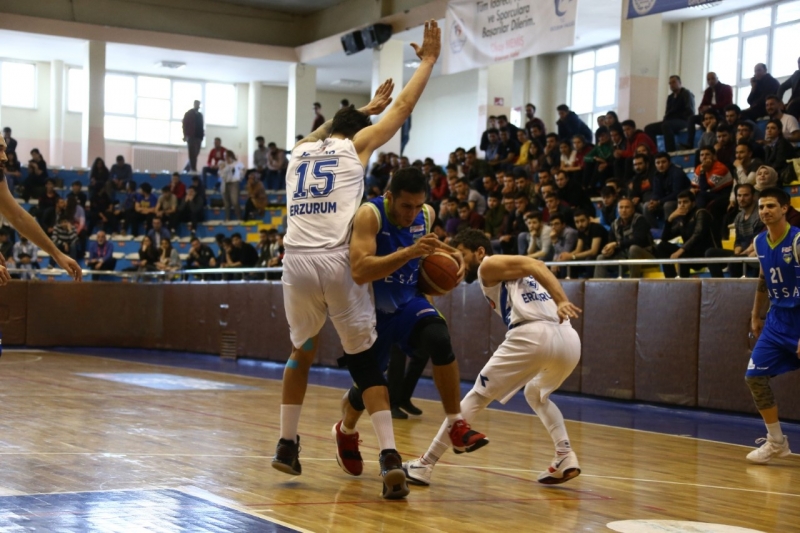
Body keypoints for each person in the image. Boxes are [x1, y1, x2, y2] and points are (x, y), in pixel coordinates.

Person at [271, 21, 441, 501]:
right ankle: (389, 454)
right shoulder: (355, 147)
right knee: (367, 362)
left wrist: (358, 111)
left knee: (301, 352)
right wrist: (426, 61)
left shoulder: (298, 153)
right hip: (334, 261)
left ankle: (287, 443)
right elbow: (403, 107)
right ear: (357, 132)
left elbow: (323, 130)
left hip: (296, 261)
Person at [338, 166, 487, 484]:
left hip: (408, 302)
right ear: (389, 197)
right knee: (368, 387)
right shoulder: (370, 215)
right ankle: (346, 429)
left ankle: (455, 423)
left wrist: (454, 256)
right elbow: (361, 269)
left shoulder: (426, 215)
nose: (413, 213)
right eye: (406, 206)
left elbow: (430, 246)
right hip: (369, 310)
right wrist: (409, 253)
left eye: (419, 206)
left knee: (439, 338)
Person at [403, 229, 582, 487]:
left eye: (462, 255)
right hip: (567, 338)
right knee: (536, 394)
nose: (458, 263)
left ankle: (425, 464)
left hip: (533, 333)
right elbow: (535, 269)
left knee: (477, 395)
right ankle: (565, 454)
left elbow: (537, 263)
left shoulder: (488, 265)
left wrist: (563, 300)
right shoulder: (508, 272)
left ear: (480, 252)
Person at [744, 187, 800, 463]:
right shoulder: (760, 242)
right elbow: (764, 278)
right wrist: (756, 314)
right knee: (754, 377)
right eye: (762, 206)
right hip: (777, 321)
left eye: (771, 206)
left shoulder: (798, 241)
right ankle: (776, 441)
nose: (765, 211)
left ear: (785, 209)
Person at [706, 183, 762, 278]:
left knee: (733, 260)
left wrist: (740, 255)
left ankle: (735, 288)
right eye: (739, 195)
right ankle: (719, 285)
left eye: (746, 195)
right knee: (710, 253)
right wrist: (737, 251)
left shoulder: (759, 214)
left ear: (753, 196)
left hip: (754, 253)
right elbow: (738, 240)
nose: (741, 199)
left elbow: (757, 240)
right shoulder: (739, 216)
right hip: (741, 254)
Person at [644, 75, 696, 152]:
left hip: (684, 121)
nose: (671, 85)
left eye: (674, 82)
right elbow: (667, 113)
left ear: (680, 83)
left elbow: (690, 111)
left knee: (666, 125)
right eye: (670, 83)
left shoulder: (686, 94)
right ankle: (654, 152)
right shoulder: (670, 97)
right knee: (648, 128)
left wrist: (675, 117)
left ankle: (670, 152)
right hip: (670, 121)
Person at [219, 150, 244, 221]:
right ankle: (227, 218)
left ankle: (239, 217)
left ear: (230, 156)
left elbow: (243, 170)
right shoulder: (223, 164)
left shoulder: (238, 163)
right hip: (224, 183)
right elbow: (220, 173)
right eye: (224, 156)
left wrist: (240, 177)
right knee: (226, 203)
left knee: (235, 201)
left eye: (226, 156)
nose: (225, 157)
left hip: (234, 182)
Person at [182, 100, 204, 172]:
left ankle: (187, 168)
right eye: (197, 104)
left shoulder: (200, 115)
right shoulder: (188, 114)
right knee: (192, 154)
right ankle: (193, 169)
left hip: (199, 137)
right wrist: (185, 135)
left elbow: (201, 125)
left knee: (196, 154)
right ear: (194, 104)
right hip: (191, 136)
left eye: (199, 104)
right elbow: (184, 125)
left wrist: (202, 135)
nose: (198, 105)